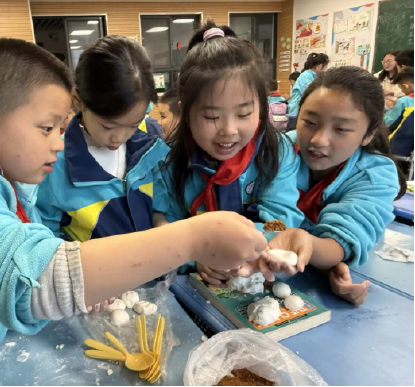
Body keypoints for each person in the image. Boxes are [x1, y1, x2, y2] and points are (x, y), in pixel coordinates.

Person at [0, 38, 268, 386]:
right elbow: (32, 283)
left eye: (62, 128)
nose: (60, 144)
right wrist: (193, 237)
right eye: (47, 128)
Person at [158, 21, 307, 285]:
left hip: (258, 271)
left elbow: (280, 221)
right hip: (195, 283)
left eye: (244, 113)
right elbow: (166, 225)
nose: (228, 130)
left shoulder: (275, 152)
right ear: (185, 112)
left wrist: (251, 244)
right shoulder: (170, 161)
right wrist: (196, 255)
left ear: (261, 107)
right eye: (211, 116)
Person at [252, 67, 406, 305]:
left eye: (341, 129)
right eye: (309, 122)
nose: (318, 140)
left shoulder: (374, 175)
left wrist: (317, 252)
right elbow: (263, 217)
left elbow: (342, 240)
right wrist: (321, 262)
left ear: (368, 134)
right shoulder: (276, 152)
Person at [34, 36, 169, 242]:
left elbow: (159, 208)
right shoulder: (53, 166)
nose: (119, 138)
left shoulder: (147, 153)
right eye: (108, 126)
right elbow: (48, 237)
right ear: (78, 101)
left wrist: (164, 230)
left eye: (133, 125)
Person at [389, 67, 415, 159]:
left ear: (406, 86)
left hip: (397, 154)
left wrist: (390, 108)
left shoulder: (404, 101)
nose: (401, 91)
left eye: (401, 88)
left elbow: (389, 123)